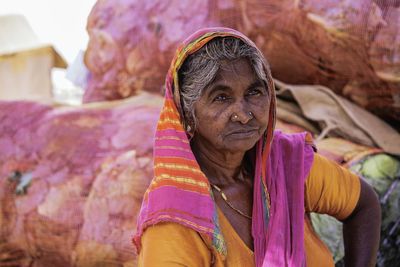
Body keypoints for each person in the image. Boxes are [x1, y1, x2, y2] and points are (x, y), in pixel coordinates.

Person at [133, 27, 381, 267]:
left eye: (254, 92)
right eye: (221, 97)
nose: (243, 114)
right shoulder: (174, 215)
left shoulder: (284, 163)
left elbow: (363, 203)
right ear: (186, 112)